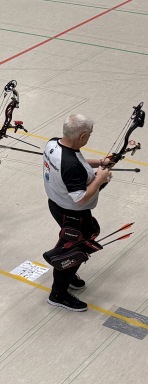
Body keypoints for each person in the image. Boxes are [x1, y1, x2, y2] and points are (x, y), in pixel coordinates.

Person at [42, 114, 113, 312]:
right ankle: (58, 295)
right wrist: (99, 180)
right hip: (73, 213)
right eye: (89, 134)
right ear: (82, 136)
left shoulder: (53, 143)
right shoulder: (71, 165)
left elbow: (75, 162)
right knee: (72, 253)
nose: (89, 136)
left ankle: (68, 278)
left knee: (72, 247)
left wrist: (100, 163)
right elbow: (80, 198)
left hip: (56, 205)